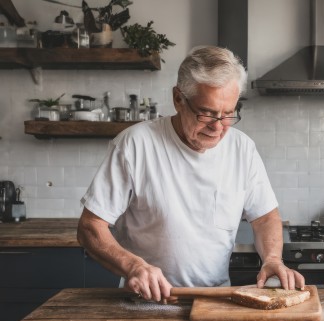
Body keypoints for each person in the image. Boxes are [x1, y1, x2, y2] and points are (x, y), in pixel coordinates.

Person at [77, 46, 304, 302]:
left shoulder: (243, 149)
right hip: (145, 304)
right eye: (206, 113)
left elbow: (264, 218)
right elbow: (90, 228)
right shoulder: (135, 145)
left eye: (228, 114)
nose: (218, 127)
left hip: (216, 302)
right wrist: (134, 267)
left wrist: (272, 259)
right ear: (178, 99)